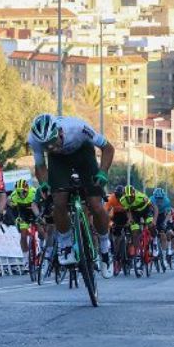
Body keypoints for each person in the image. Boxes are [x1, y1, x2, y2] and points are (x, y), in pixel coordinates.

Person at [27, 113, 115, 269]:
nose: (51, 147)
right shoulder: (35, 140)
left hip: (83, 153)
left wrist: (103, 172)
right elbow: (40, 166)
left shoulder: (78, 128)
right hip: (59, 161)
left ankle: (104, 246)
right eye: (46, 145)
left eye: (53, 141)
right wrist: (44, 184)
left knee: (95, 204)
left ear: (60, 132)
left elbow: (107, 148)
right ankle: (66, 243)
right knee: (58, 202)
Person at [119, 184, 156, 258]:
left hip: (146, 210)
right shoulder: (122, 200)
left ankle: (155, 244)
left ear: (134, 194)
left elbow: (155, 207)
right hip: (135, 213)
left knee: (150, 225)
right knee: (135, 232)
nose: (129, 199)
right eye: (127, 198)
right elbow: (128, 211)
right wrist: (130, 219)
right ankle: (138, 253)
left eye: (131, 197)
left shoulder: (142, 197)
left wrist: (154, 219)